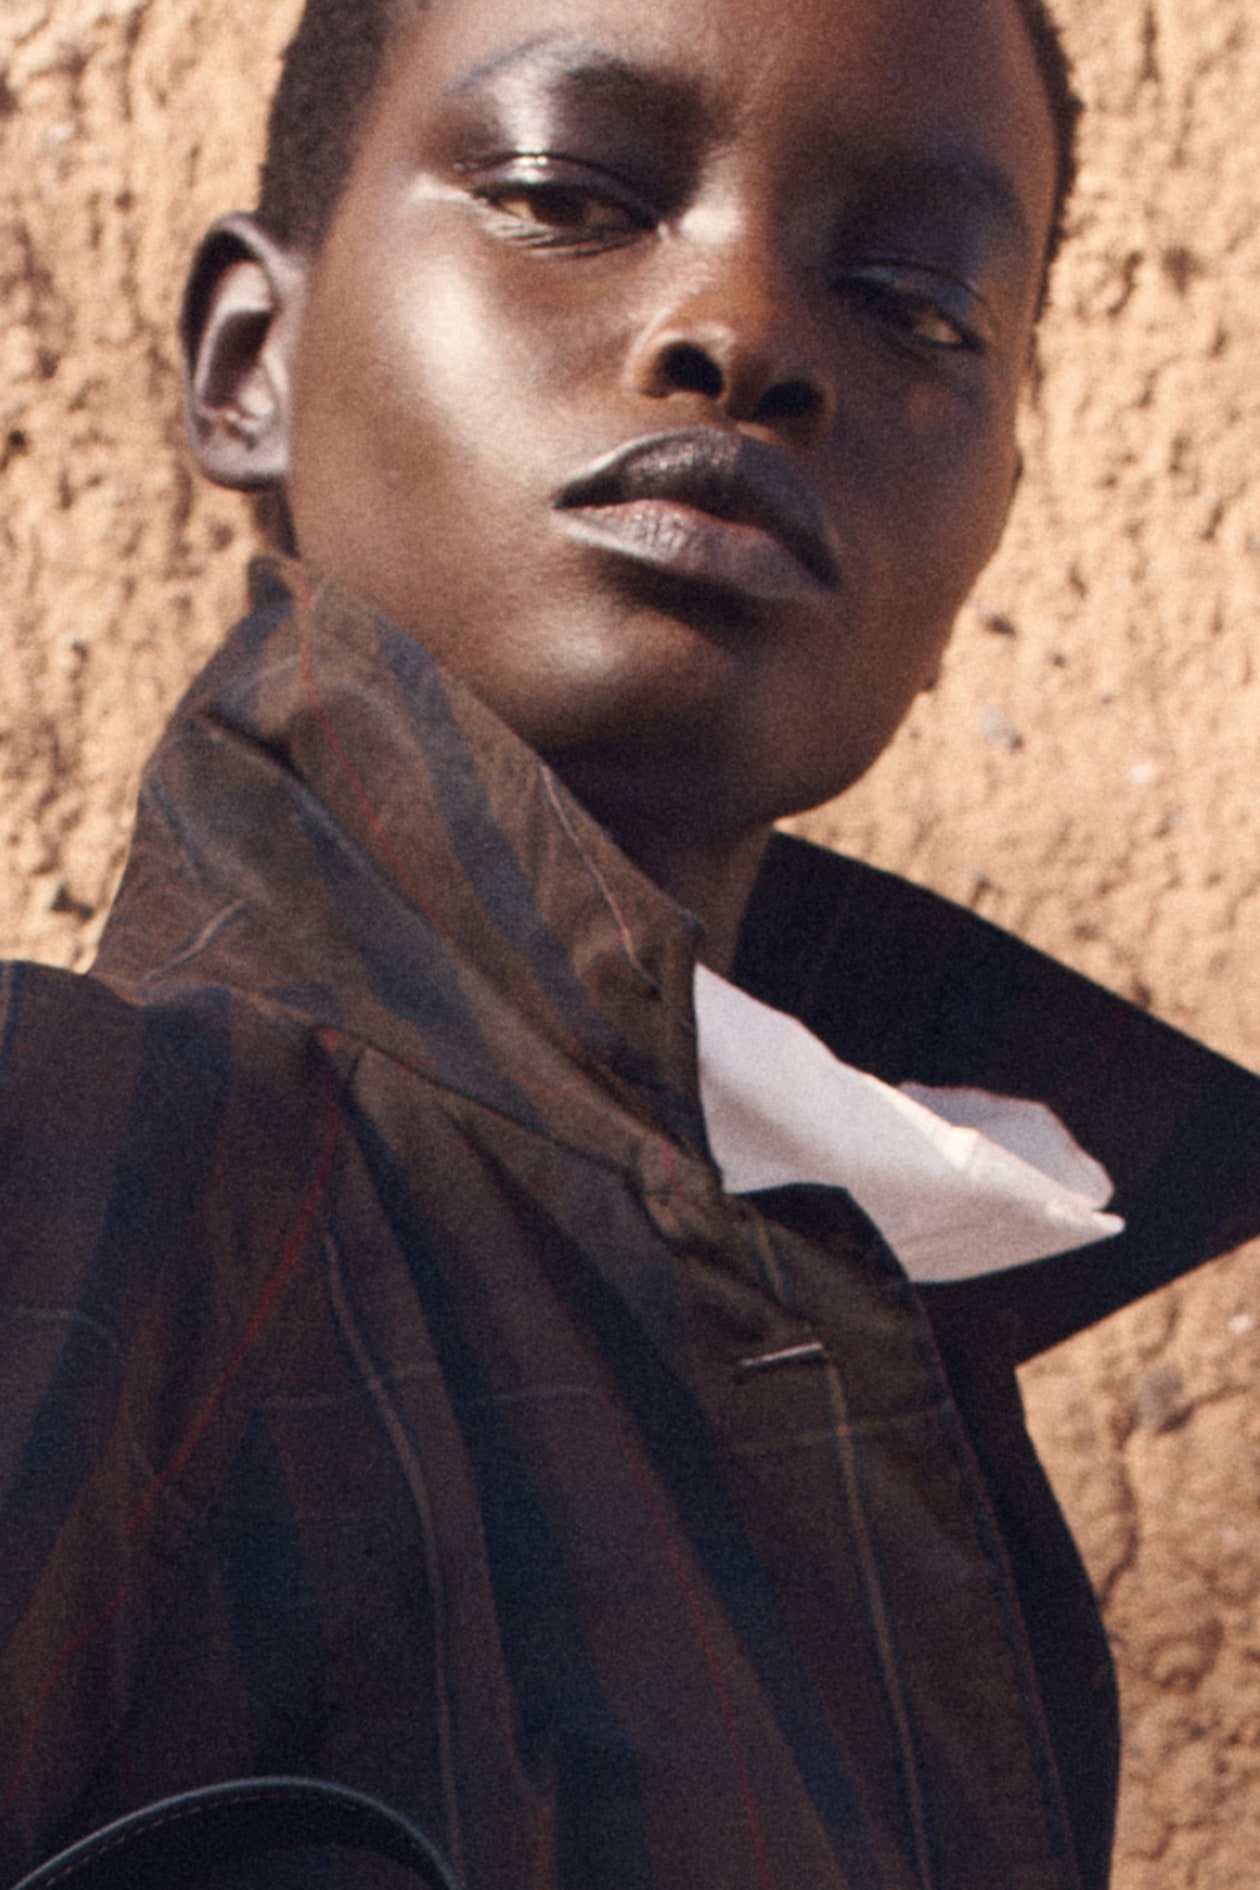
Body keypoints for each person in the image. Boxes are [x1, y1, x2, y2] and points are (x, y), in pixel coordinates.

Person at [5, 0, 1260, 1883]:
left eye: (917, 300)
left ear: (1000, 502)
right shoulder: (77, 1158)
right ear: (251, 362)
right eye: (561, 193)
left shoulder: (906, 1401)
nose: (742, 335)